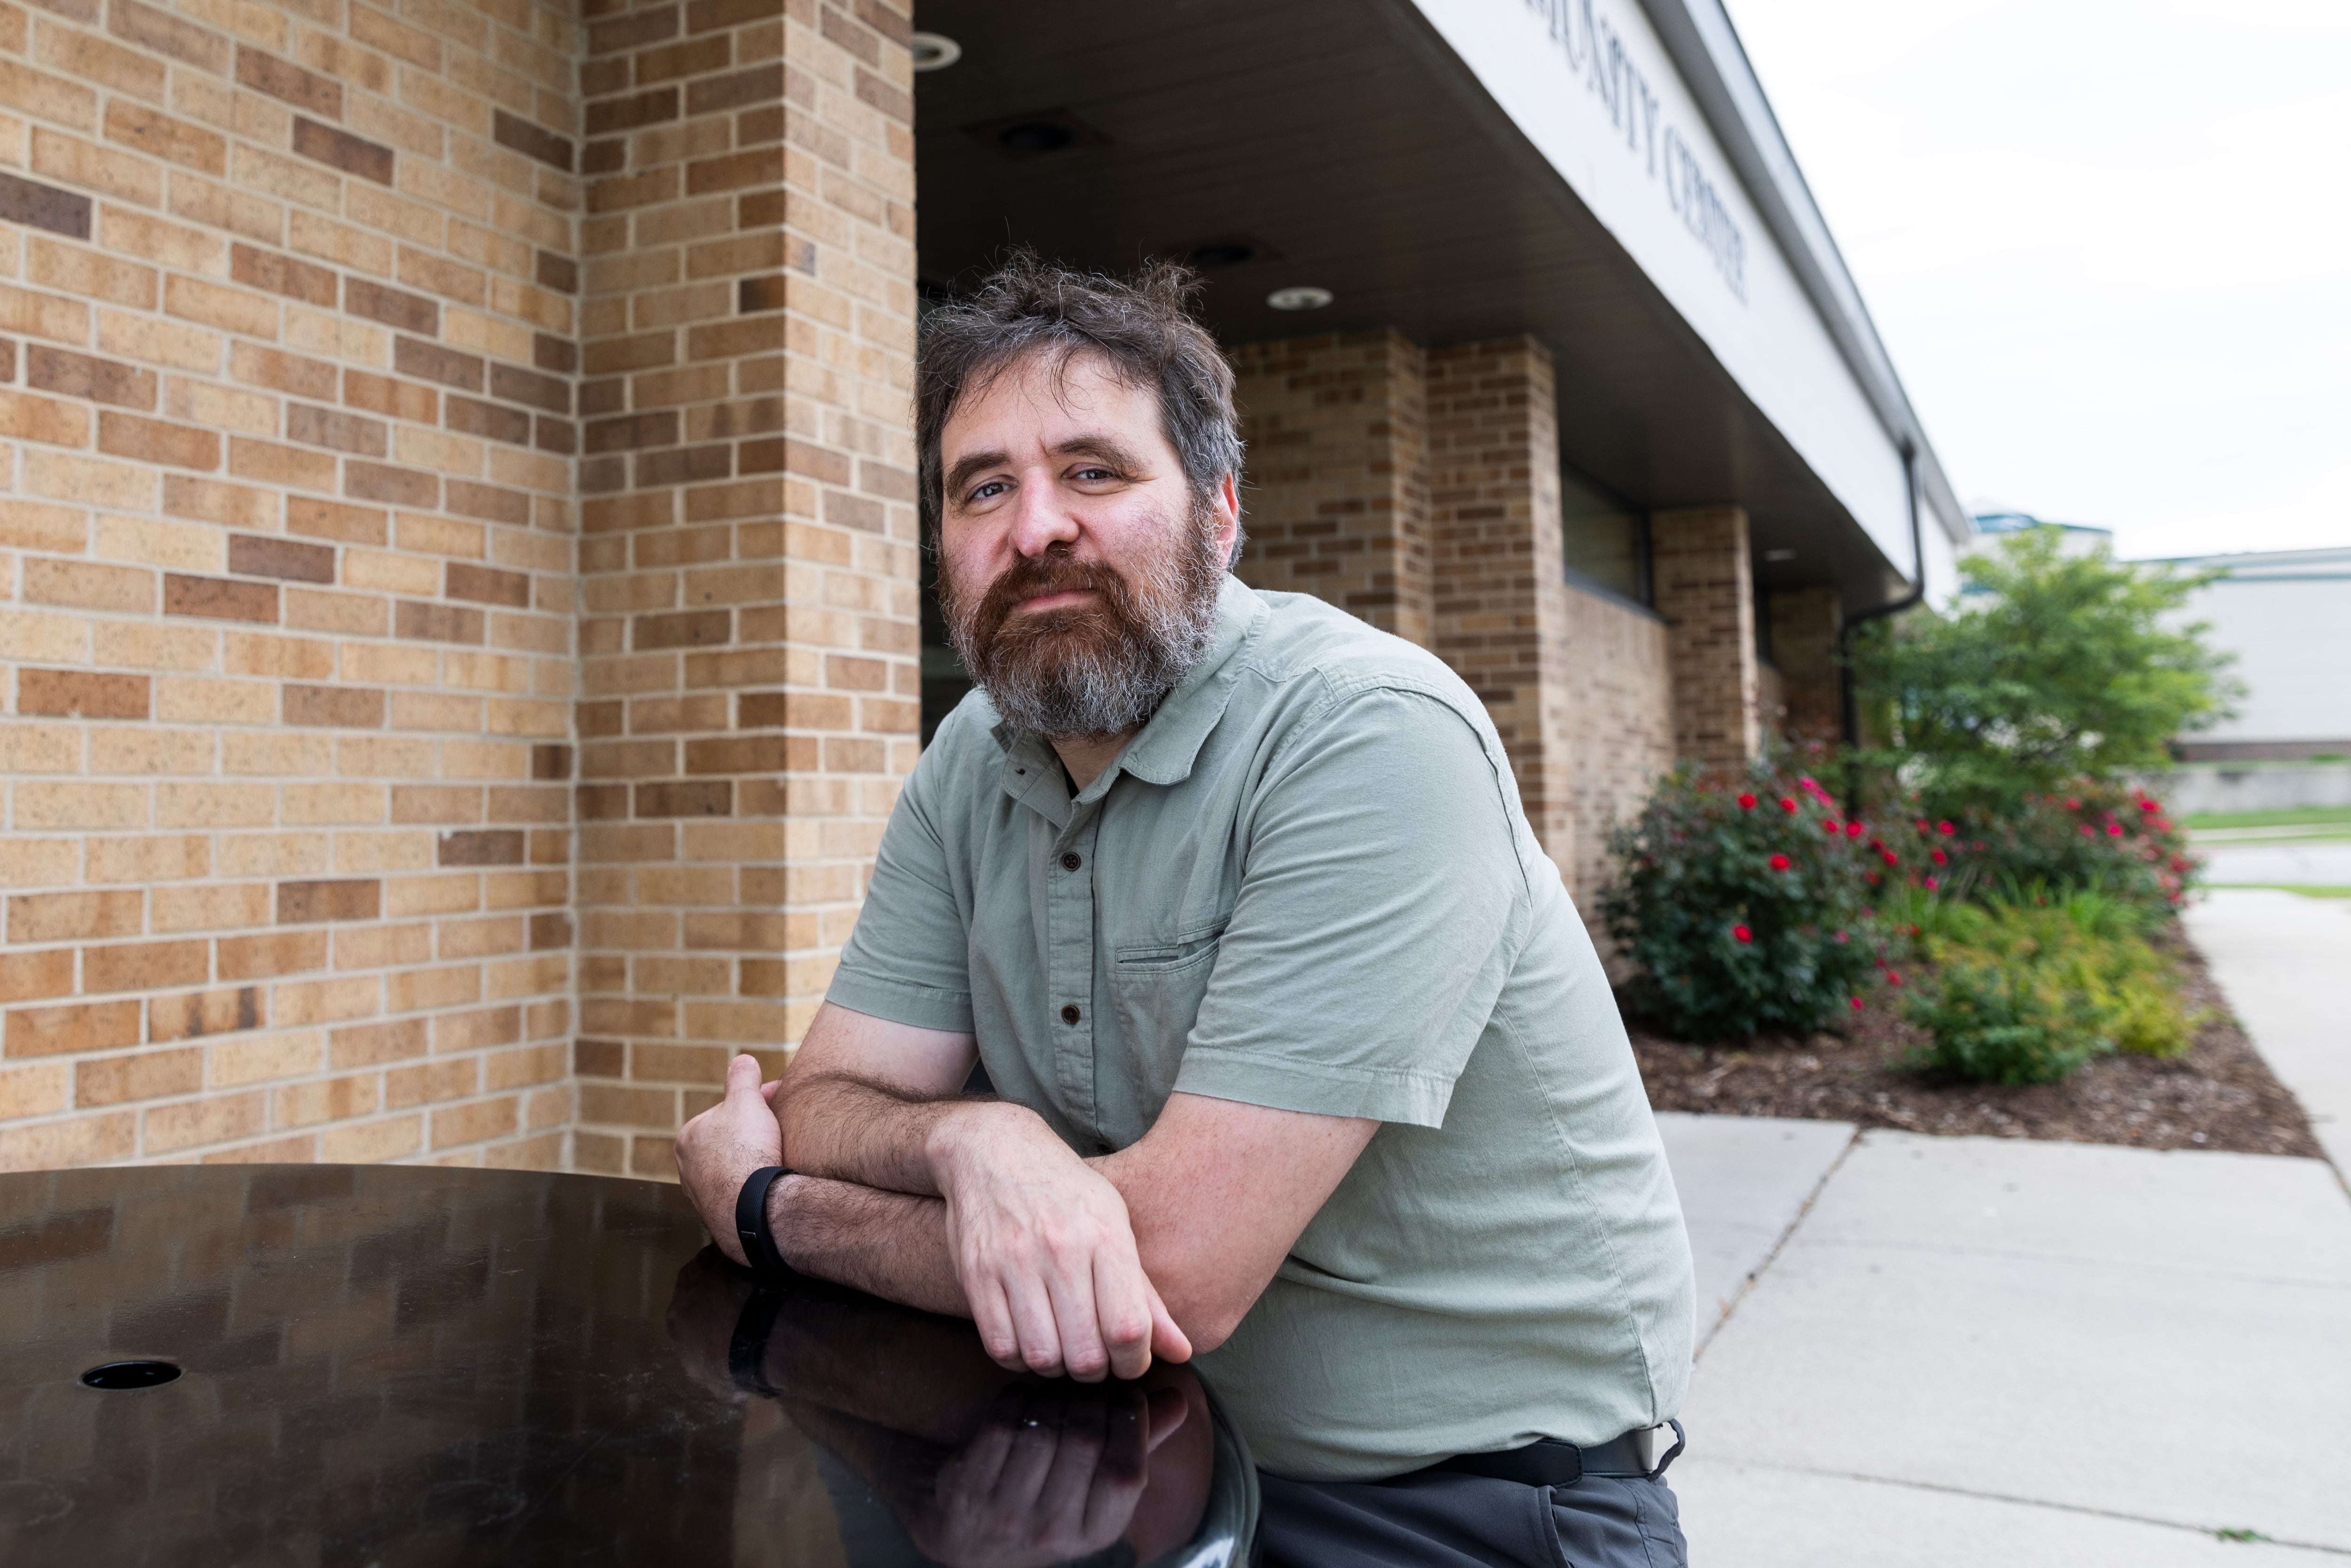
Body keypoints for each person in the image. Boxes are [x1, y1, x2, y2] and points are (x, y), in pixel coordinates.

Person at [675, 253, 1696, 1567]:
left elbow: (1160, 1273)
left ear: (1220, 515)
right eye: (984, 487)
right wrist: (971, 1145)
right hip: (1119, 1464)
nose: (1036, 525)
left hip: (1463, 1506)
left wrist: (766, 1211)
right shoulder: (971, 756)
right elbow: (826, 1099)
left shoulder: (1370, 736)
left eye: (1094, 471)